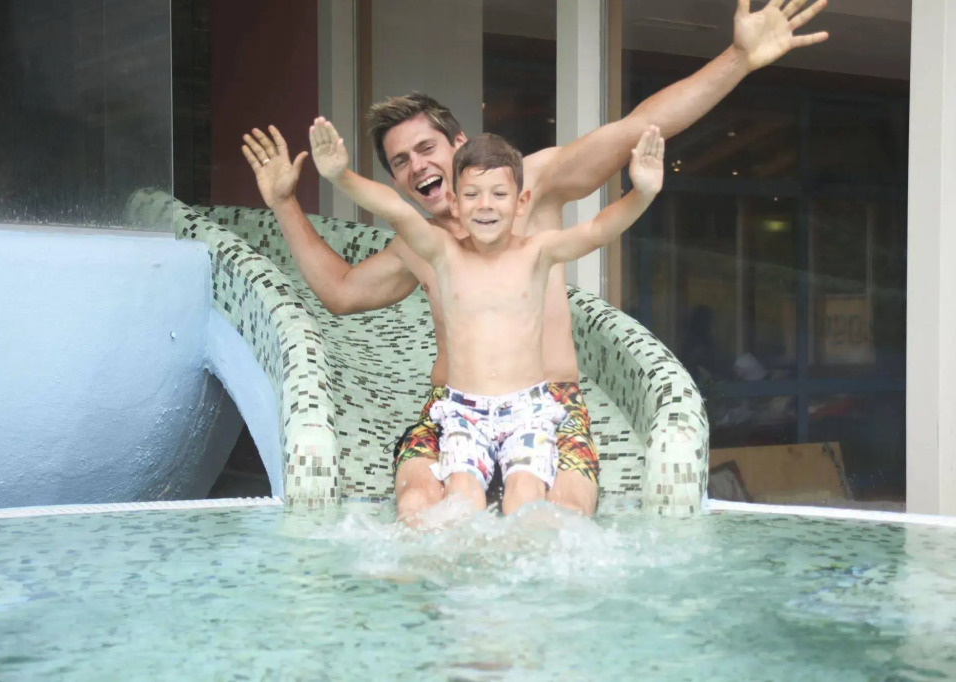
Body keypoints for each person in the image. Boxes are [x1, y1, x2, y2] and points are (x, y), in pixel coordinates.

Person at [240, 0, 829, 522]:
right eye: (400, 162)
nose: (417, 166)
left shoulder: (533, 187)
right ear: (394, 180)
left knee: (562, 516)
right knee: (417, 505)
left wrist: (737, 58)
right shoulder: (417, 245)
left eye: (426, 148)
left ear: (460, 146)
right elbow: (341, 291)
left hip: (548, 406)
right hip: (454, 411)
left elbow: (635, 131)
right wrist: (285, 202)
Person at [310, 119, 664, 514]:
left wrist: (643, 194)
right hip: (464, 411)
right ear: (455, 203)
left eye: (499, 194)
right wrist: (340, 176)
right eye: (472, 195)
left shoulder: (537, 252)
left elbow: (597, 230)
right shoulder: (444, 254)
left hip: (528, 409)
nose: (485, 205)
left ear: (521, 203)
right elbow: (394, 209)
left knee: (526, 498)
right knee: (461, 499)